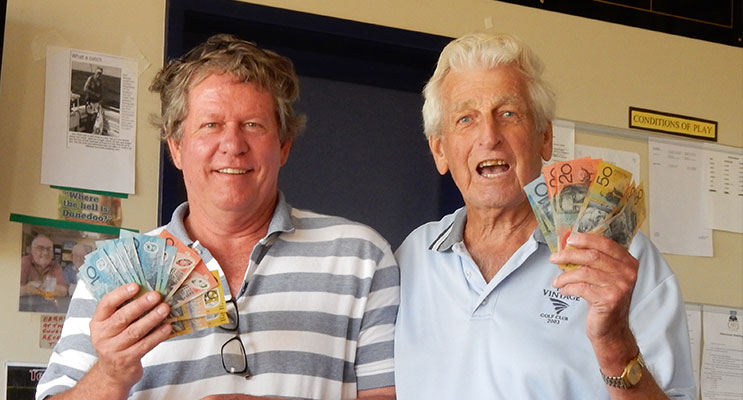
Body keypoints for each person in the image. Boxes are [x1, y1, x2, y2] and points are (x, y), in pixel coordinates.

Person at [36, 34, 398, 400]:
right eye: (211, 125)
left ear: (283, 146)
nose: (233, 145)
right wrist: (111, 374)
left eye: (253, 124)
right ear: (176, 147)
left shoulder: (362, 257)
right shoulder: (118, 278)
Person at [393, 33, 695, 399]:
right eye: (465, 119)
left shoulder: (620, 256)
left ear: (545, 137)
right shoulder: (411, 257)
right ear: (440, 151)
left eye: (508, 114)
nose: (489, 136)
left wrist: (615, 343)